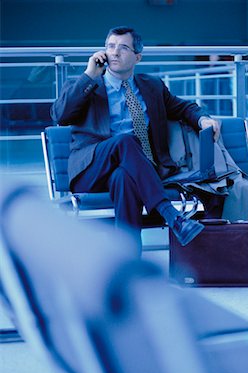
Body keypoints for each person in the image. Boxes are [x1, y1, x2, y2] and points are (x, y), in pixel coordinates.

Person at [51, 26, 220, 250]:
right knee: (125, 141)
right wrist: (89, 75)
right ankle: (171, 215)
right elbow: (60, 116)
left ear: (137, 57)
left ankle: (130, 260)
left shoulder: (152, 87)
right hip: (91, 169)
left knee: (123, 178)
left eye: (122, 48)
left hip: (134, 169)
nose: (114, 53)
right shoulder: (88, 86)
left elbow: (182, 107)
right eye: (110, 47)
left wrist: (202, 120)